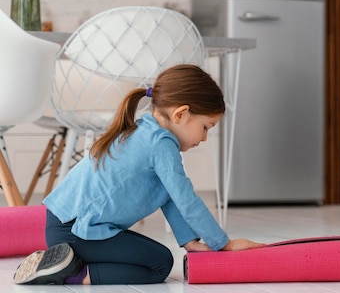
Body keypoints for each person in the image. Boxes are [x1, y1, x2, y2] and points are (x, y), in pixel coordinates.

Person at [13, 64, 263, 285]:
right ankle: (73, 272)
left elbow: (169, 197)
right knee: (160, 263)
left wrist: (190, 242)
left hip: (63, 224)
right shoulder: (162, 145)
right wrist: (223, 244)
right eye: (205, 127)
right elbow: (186, 200)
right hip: (76, 232)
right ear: (180, 114)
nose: (204, 138)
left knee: (157, 258)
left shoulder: (146, 130)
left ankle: (64, 262)